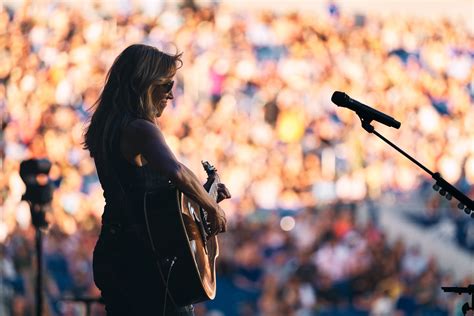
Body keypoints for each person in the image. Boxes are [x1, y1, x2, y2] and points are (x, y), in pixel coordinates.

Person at [83, 44, 230, 315]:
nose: (171, 94)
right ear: (144, 83)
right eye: (166, 85)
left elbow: (156, 202)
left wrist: (203, 197)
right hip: (145, 260)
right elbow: (175, 171)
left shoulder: (108, 126)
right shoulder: (139, 128)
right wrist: (212, 208)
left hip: (115, 252)